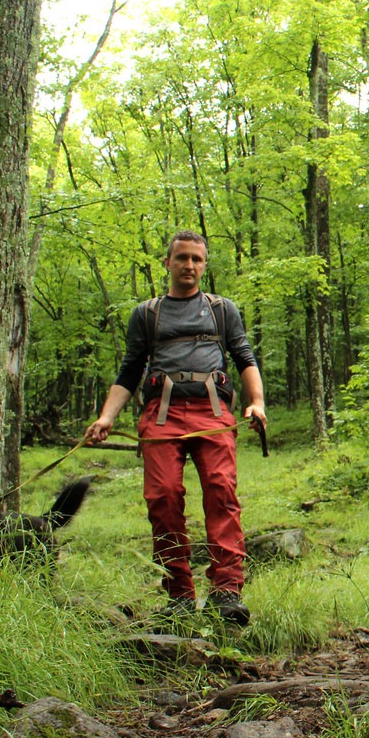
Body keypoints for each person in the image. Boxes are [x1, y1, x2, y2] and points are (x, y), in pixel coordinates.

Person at [84, 230, 267, 625]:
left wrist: (256, 403)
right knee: (163, 497)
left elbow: (244, 357)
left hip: (213, 413)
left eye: (197, 259)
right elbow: (130, 369)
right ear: (167, 263)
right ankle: (180, 595)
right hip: (162, 414)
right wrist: (106, 417)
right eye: (182, 258)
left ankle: (226, 592)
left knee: (221, 492)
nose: (189, 265)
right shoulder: (147, 314)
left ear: (204, 264)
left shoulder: (222, 310)